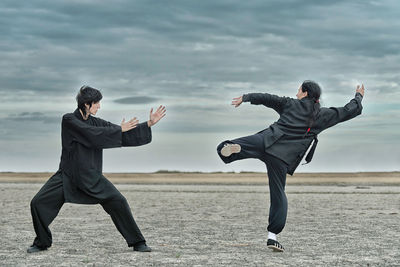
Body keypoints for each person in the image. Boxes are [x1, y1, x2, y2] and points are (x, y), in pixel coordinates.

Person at [217, 81, 364, 252]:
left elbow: (267, 98)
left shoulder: (290, 104)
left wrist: (246, 97)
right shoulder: (321, 115)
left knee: (227, 147)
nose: (296, 94)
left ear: (305, 92)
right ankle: (272, 236)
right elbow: (348, 111)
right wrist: (358, 96)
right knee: (278, 194)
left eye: (298, 90)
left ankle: (235, 149)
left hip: (267, 140)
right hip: (282, 157)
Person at [28, 85, 166, 253]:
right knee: (38, 203)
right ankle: (42, 242)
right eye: (97, 103)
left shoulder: (97, 123)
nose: (99, 106)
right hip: (67, 176)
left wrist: (149, 124)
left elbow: (120, 135)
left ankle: (138, 242)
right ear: (87, 104)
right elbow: (91, 134)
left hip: (92, 177)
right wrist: (117, 129)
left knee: (119, 202)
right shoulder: (69, 120)